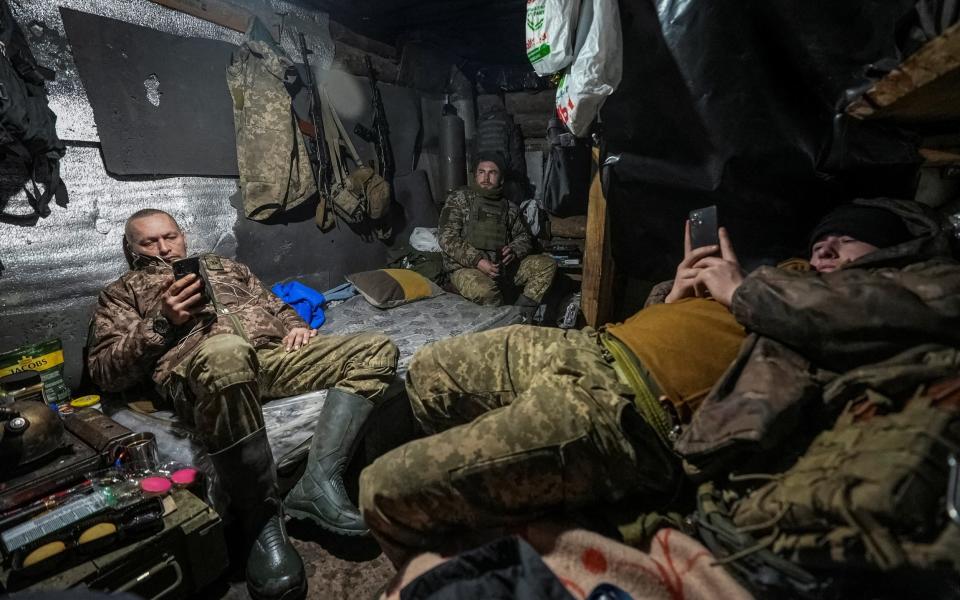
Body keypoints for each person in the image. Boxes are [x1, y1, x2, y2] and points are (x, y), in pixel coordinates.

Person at [358, 198, 960, 566]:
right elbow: (679, 320)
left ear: (891, 252)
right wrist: (671, 296)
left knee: (382, 489)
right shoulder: (781, 279)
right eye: (819, 241)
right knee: (430, 371)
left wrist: (740, 288)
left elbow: (862, 314)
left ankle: (462, 547)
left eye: (845, 241)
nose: (825, 249)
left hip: (624, 406)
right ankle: (487, 503)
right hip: (591, 347)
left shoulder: (896, 295)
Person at [87, 209, 398, 600]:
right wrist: (163, 322)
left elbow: (276, 305)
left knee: (375, 348)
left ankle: (318, 482)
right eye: (149, 242)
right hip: (204, 369)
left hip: (269, 358)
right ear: (131, 249)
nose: (164, 248)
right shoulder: (122, 291)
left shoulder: (225, 267)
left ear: (183, 236)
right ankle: (261, 521)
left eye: (170, 236)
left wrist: (297, 326)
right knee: (227, 352)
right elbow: (104, 371)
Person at [438, 151, 557, 315]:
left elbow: (524, 237)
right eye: (481, 172)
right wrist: (478, 261)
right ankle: (499, 330)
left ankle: (520, 317)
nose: (486, 178)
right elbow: (447, 238)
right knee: (487, 292)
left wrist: (514, 250)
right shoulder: (460, 198)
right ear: (475, 175)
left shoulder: (509, 207)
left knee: (546, 265)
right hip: (465, 269)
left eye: (492, 173)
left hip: (502, 268)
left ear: (501, 179)